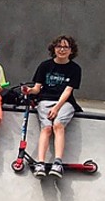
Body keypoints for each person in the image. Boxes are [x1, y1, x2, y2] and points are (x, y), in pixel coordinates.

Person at [22, 35, 82, 178]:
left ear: (71, 51)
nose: (62, 50)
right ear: (53, 49)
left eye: (65, 47)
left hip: (65, 102)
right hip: (45, 100)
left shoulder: (75, 69)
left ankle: (57, 163)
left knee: (58, 125)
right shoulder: (45, 66)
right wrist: (29, 91)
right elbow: (37, 88)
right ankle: (40, 163)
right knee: (47, 128)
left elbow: (68, 91)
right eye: (59, 47)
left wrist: (56, 108)